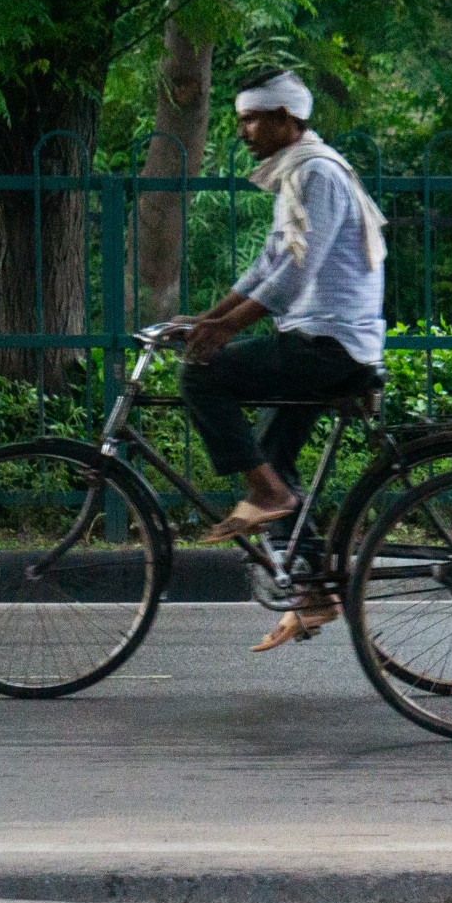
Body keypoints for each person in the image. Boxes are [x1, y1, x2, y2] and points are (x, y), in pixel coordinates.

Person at [171, 68, 387, 646]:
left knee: (201, 377)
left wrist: (218, 337)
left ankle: (267, 495)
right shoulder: (301, 174)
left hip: (329, 346)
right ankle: (315, 591)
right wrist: (208, 320)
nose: (242, 130)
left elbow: (295, 276)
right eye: (240, 118)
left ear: (286, 120)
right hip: (321, 341)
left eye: (252, 119)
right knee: (270, 454)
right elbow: (267, 266)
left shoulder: (319, 175)